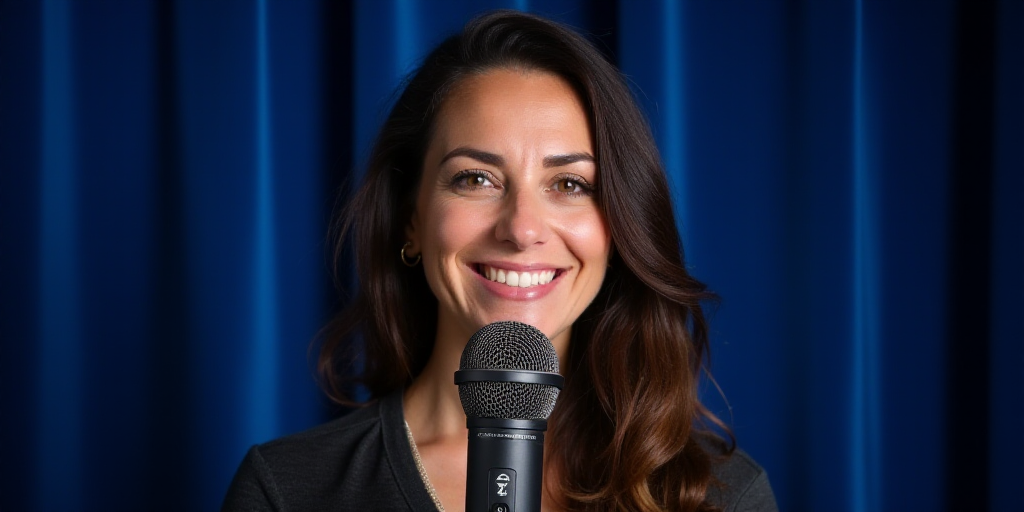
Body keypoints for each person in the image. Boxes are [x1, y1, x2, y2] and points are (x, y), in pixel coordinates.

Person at [223, 10, 777, 512]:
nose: (522, 229)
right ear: (410, 220)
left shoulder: (719, 495)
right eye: (476, 178)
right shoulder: (288, 489)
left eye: (569, 183)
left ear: (619, 228)